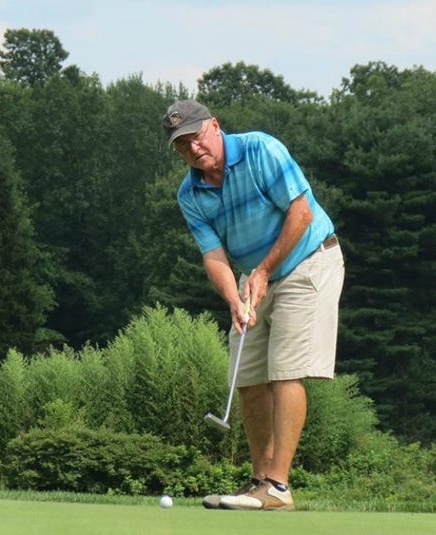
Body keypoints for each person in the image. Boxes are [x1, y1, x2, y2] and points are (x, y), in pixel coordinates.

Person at [162, 100, 345, 511]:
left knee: (285, 371)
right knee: (247, 378)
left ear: (215, 126)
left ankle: (279, 487)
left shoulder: (261, 149)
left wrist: (261, 272)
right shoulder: (190, 193)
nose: (193, 149)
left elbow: (300, 213)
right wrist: (234, 298)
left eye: (196, 137)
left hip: (308, 261)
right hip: (253, 276)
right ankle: (260, 480)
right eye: (182, 145)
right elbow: (213, 255)